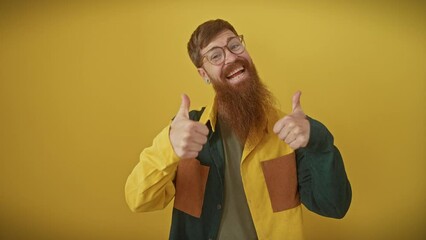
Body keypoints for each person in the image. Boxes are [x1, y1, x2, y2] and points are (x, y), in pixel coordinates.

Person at [125, 19, 352, 240]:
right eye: (216, 55)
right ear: (204, 75)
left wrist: (318, 141)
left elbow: (333, 206)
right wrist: (169, 147)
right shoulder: (186, 134)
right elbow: (139, 200)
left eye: (235, 45)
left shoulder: (291, 132)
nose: (232, 57)